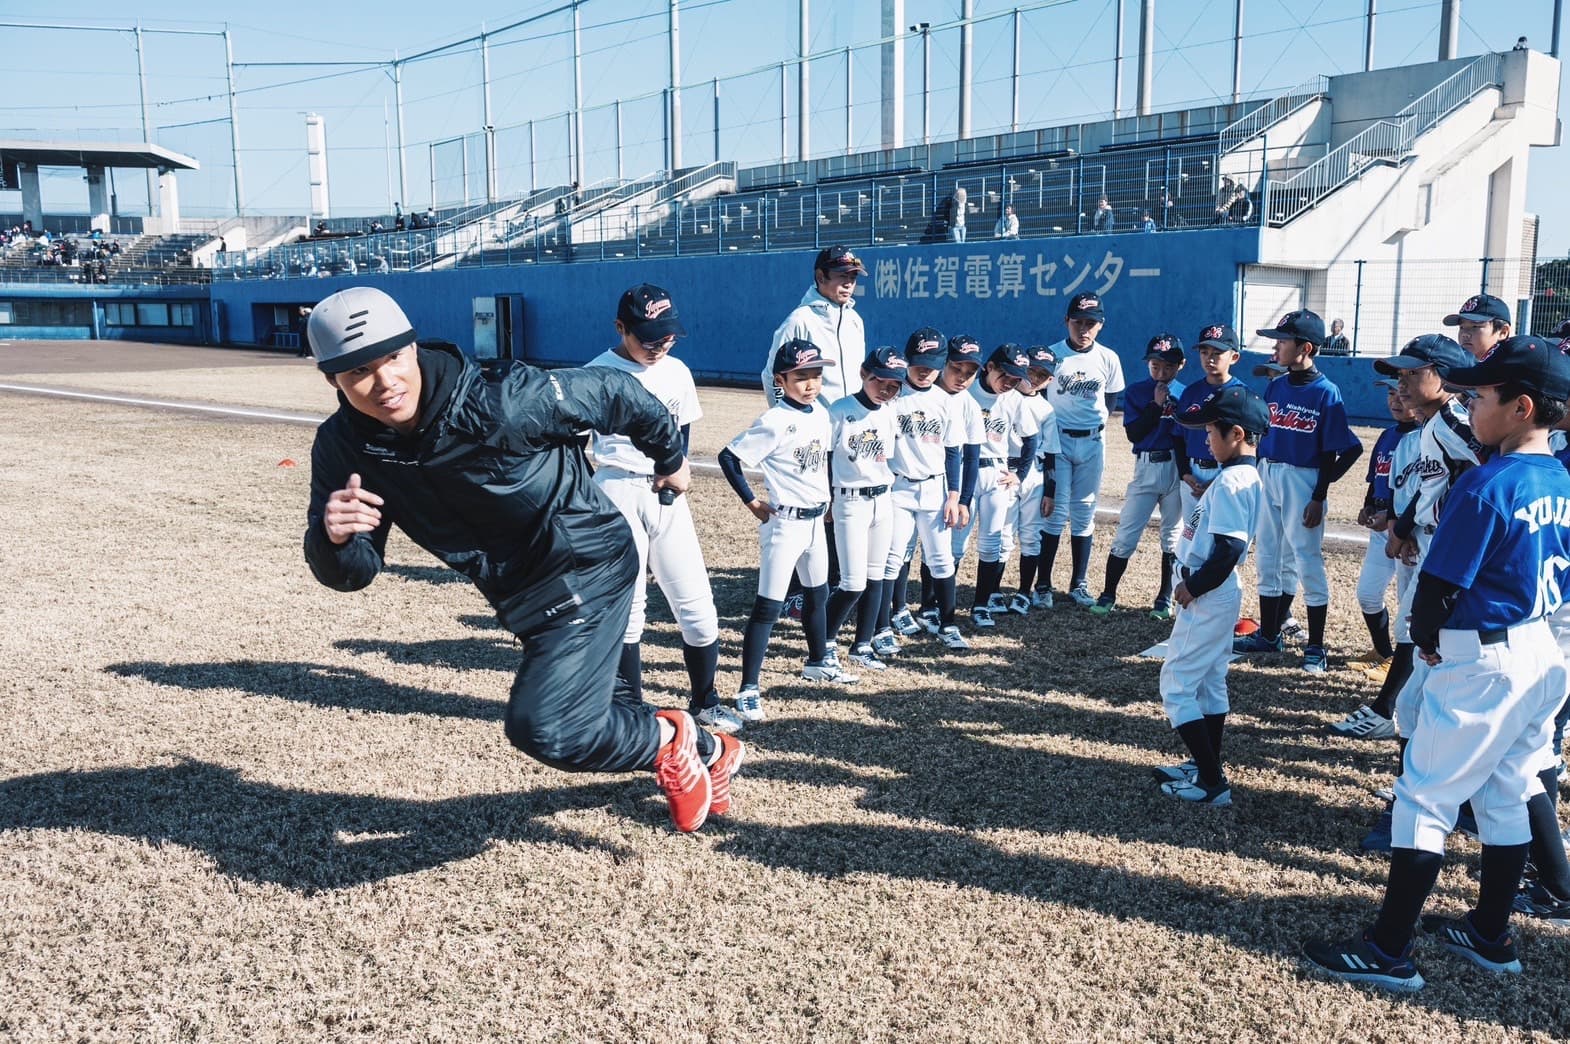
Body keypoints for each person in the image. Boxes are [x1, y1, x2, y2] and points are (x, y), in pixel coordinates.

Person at [301, 286, 740, 835]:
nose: (386, 381)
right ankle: (708, 749)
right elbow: (354, 573)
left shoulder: (501, 399)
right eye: (359, 371)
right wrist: (334, 540)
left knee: (548, 727)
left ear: (412, 347)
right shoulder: (345, 447)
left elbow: (617, 392)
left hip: (585, 563)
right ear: (332, 380)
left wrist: (670, 458)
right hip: (518, 593)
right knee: (606, 710)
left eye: (394, 357)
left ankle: (672, 742)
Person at [1303, 335, 1570, 991]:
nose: (1468, 404)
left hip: (1484, 656)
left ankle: (1388, 951)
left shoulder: (1486, 482)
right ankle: (1490, 934)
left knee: (1423, 796)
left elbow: (1440, 584)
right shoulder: (1561, 477)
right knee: (1508, 791)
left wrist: (1423, 637)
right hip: (1544, 655)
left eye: (1480, 396)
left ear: (1522, 407)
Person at [585, 284, 744, 736]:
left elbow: (682, 431)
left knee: (696, 602)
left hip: (667, 492)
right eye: (648, 338)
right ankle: (632, 708)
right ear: (621, 328)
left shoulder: (676, 371)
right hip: (616, 487)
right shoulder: (596, 373)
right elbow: (573, 447)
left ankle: (706, 699)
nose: (659, 346)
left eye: (667, 337)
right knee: (629, 606)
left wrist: (677, 470)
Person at [721, 338, 855, 725]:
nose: (811, 383)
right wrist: (751, 501)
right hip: (785, 523)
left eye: (816, 374)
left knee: (818, 595)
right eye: (801, 376)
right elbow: (729, 457)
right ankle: (748, 689)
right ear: (780, 379)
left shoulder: (820, 414)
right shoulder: (774, 420)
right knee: (768, 607)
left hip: (814, 521)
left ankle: (816, 662)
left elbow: (824, 462)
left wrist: (827, 498)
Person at [1151, 385, 1267, 806]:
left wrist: (1190, 586)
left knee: (1177, 683)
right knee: (1209, 682)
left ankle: (1212, 782)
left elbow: (1230, 548)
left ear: (1236, 434)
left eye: (1211, 432)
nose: (1205, 439)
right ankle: (1206, 766)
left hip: (1209, 591)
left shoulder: (1235, 481)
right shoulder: (1239, 476)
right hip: (1216, 591)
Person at [1232, 310, 1362, 673]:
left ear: (1305, 347)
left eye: (1282, 340)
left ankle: (1316, 646)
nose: (1276, 345)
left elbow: (1345, 449)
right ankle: (1270, 634)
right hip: (1269, 472)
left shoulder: (1325, 391)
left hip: (1302, 478)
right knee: (1269, 556)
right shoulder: (1276, 385)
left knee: (1306, 558)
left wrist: (1319, 494)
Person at [879, 329, 974, 654]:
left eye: (933, 364)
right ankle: (882, 625)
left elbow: (953, 452)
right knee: (892, 560)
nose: (925, 370)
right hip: (899, 488)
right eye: (919, 363)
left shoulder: (945, 401)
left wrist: (954, 495)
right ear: (907, 360)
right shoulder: (892, 396)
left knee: (941, 559)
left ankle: (948, 624)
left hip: (935, 489)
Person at [1039, 292, 1126, 607]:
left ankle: (1078, 584)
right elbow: (1040, 396)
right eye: (1078, 321)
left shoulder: (1108, 358)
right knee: (1055, 512)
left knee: (1084, 512)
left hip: (1093, 441)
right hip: (1058, 439)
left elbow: (1113, 396)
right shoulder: (1052, 355)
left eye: (1091, 322)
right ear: (1067, 321)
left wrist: (1098, 422)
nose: (1084, 328)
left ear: (1100, 324)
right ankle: (1043, 585)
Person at [1093, 333, 1186, 619]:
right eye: (1155, 366)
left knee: (1172, 537)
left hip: (1175, 467)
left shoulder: (1186, 392)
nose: (1161, 372)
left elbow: (1185, 438)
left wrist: (1185, 474)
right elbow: (1135, 433)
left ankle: (1164, 598)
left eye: (1168, 367)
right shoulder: (1137, 391)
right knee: (1127, 533)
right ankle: (1108, 593)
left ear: (1180, 365)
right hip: (1146, 465)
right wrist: (1156, 405)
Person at [825, 345, 907, 670]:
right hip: (849, 500)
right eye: (880, 381)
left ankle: (862, 645)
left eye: (894, 384)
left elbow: (888, 457)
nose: (886, 389)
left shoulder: (890, 411)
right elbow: (825, 458)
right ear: (863, 374)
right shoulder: (839, 410)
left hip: (882, 499)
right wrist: (827, 498)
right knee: (852, 582)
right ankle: (825, 643)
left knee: (876, 578)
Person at [1337, 379, 1418, 696]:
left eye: (1401, 393)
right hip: (1381, 528)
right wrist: (1368, 506)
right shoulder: (1387, 435)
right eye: (1389, 393)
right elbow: (1376, 481)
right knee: (1368, 595)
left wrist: (1394, 520)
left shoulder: (1423, 437)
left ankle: (1399, 661)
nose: (1395, 400)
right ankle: (1384, 652)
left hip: (1405, 530)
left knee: (1406, 604)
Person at [951, 344, 1040, 627]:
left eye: (1016, 379)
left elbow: (1031, 440)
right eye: (1005, 375)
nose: (1010, 383)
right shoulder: (966, 393)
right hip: (966, 469)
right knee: (956, 544)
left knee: (991, 544)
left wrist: (1020, 475)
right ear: (989, 367)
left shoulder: (1014, 399)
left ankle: (981, 604)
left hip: (996, 472)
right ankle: (943, 603)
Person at [763, 245, 866, 406]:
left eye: (853, 277)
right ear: (821, 277)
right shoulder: (800, 320)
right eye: (842, 275)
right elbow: (772, 376)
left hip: (850, 423)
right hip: (816, 424)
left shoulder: (855, 320)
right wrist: (786, 417)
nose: (849, 284)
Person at [1011, 346, 1061, 610]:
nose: (1034, 377)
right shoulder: (1005, 397)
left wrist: (1050, 491)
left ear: (1050, 380)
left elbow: (1051, 454)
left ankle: (1022, 592)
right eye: (1031, 370)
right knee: (1002, 536)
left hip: (1034, 474)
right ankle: (993, 593)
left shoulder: (1046, 409)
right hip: (1004, 470)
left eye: (1042, 375)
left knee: (1030, 535)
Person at [1444, 293, 1513, 360]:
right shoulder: (1459, 362)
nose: (1465, 334)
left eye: (1475, 326)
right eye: (1461, 327)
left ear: (1503, 332)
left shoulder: (1509, 368)